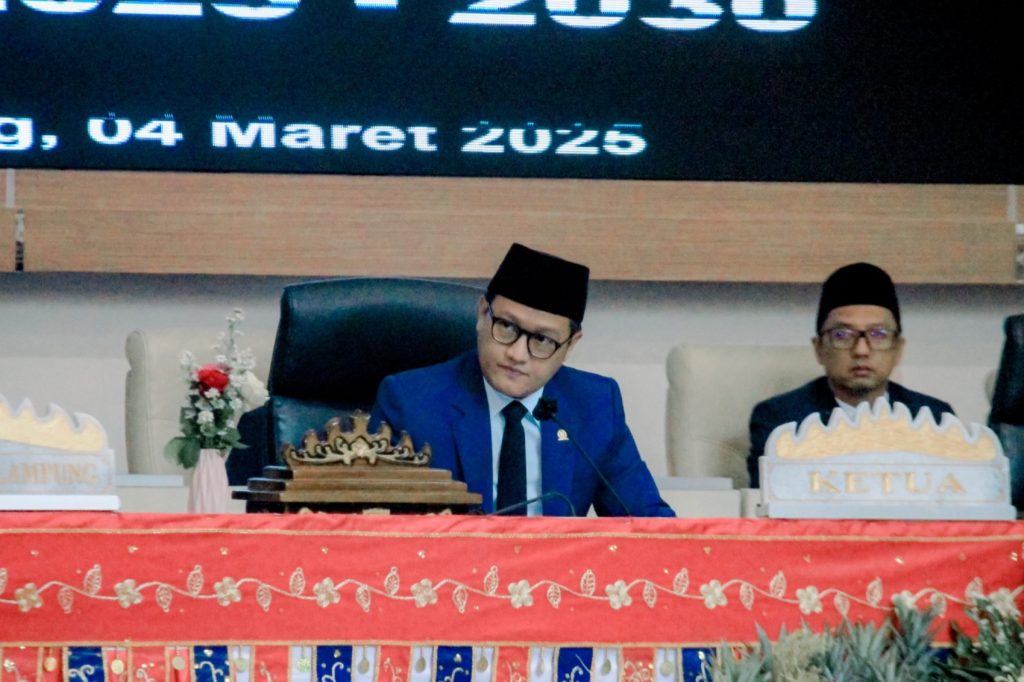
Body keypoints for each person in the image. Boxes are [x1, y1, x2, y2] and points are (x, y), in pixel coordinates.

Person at [371, 243, 673, 517]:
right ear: (482, 313)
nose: (517, 354)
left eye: (542, 340)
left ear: (571, 344)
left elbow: (648, 523)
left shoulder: (594, 405)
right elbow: (373, 527)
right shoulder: (410, 403)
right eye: (506, 327)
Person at [747, 262, 954, 487]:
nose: (861, 350)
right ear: (819, 349)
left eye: (879, 334)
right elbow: (771, 497)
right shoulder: (780, 419)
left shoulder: (935, 417)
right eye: (842, 334)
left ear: (898, 350)